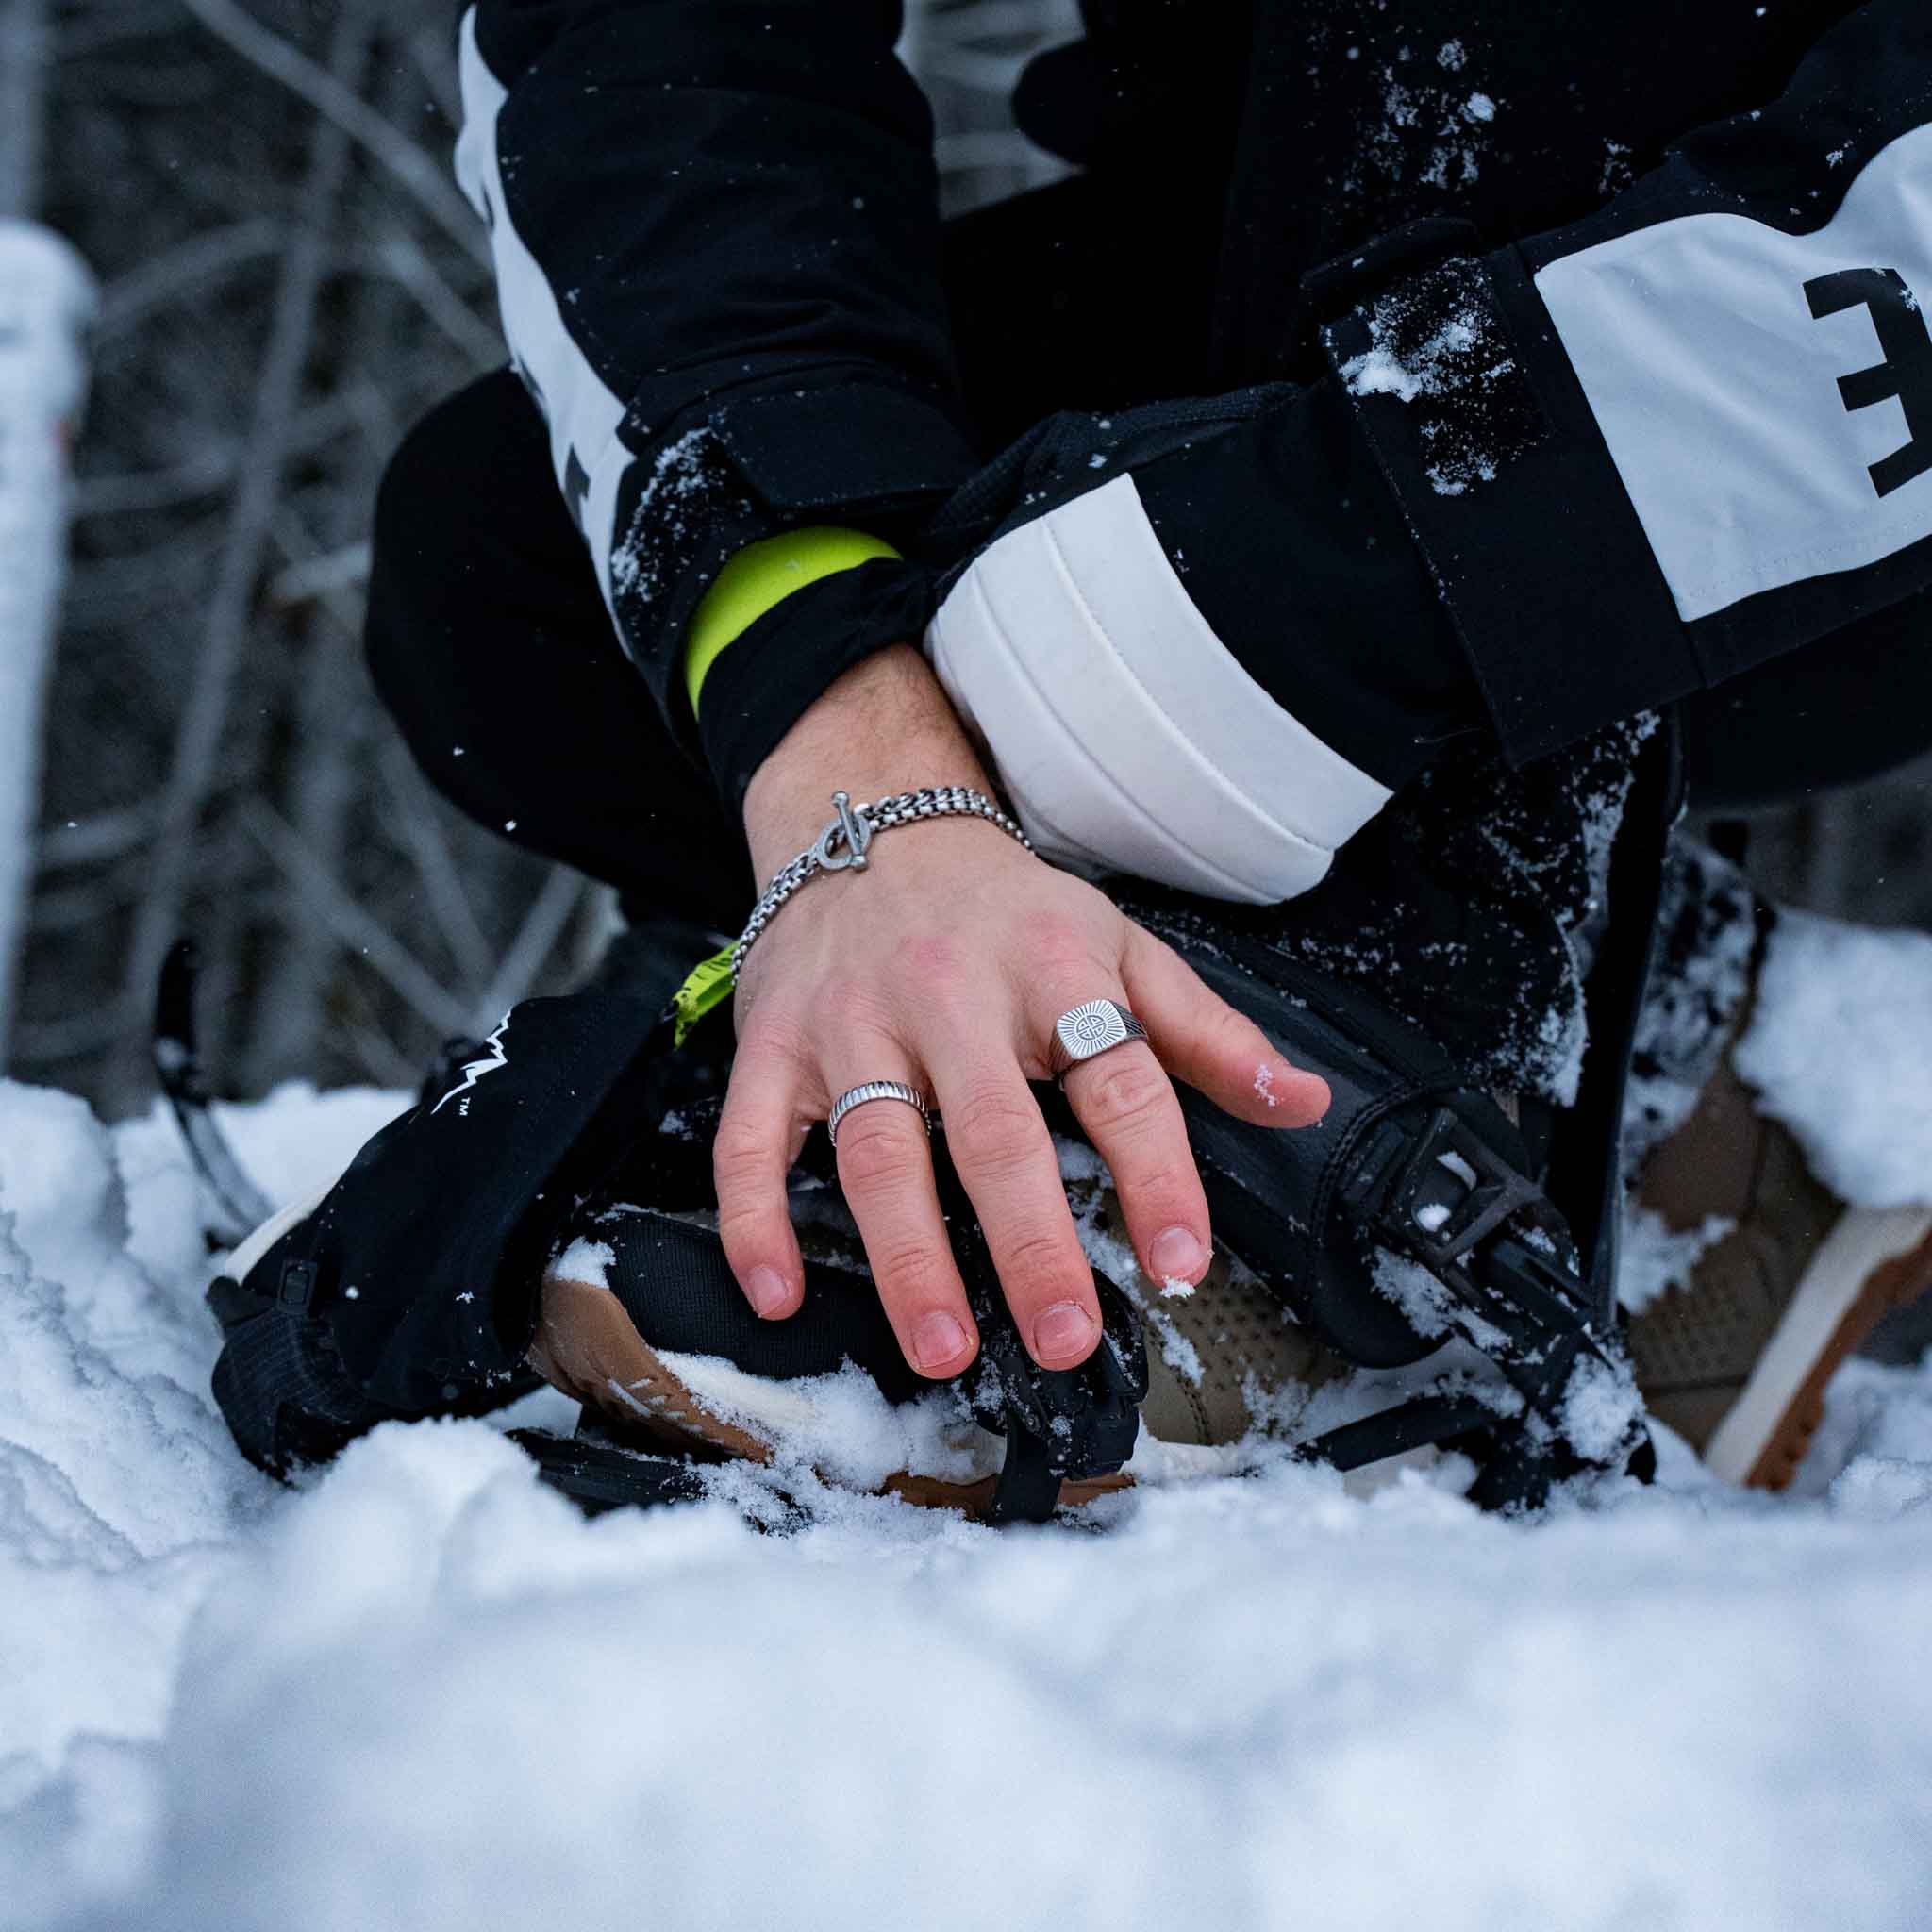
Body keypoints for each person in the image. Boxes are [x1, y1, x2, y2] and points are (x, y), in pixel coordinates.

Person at [349, 0, 1932, 1492]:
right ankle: (1649, 1035)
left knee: (1117, 639)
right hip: (1298, 248)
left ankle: (1393, 1070)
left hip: (1809, 373)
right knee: (509, 572)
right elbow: (664, 57)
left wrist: (1392, 560)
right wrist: (844, 718)